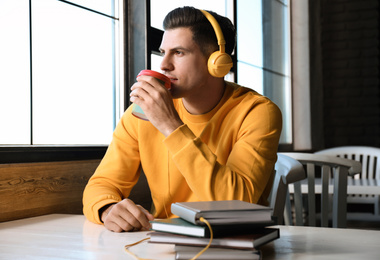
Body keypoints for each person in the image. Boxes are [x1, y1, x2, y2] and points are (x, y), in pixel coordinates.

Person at [83, 6, 282, 232]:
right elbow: (102, 184)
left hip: (234, 241)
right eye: (162, 52)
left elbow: (235, 202)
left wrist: (170, 125)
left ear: (216, 62)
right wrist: (107, 208)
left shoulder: (257, 112)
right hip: (163, 242)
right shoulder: (141, 113)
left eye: (178, 52)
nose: (163, 64)